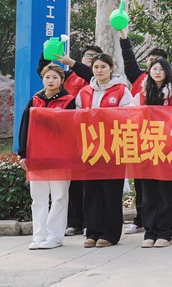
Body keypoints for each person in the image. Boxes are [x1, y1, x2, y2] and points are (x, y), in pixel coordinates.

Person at [38, 44, 96, 237]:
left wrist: (73, 63)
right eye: (88, 55)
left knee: (88, 183)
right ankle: (74, 222)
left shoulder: (96, 77)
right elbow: (45, 72)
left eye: (95, 56)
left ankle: (88, 222)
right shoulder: (67, 76)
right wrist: (47, 51)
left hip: (90, 135)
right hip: (66, 137)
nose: (91, 58)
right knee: (72, 183)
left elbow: (90, 74)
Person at [76, 53, 133, 248]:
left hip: (112, 147)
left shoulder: (122, 91)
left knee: (111, 192)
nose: (99, 70)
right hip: (90, 148)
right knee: (90, 192)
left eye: (103, 67)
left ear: (111, 68)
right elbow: (76, 117)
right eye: (96, 67)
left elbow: (129, 116)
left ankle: (110, 234)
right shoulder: (84, 92)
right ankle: (92, 232)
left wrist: (105, 116)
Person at [17, 64, 77, 250]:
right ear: (42, 79)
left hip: (60, 156)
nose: (51, 81)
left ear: (61, 80)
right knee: (38, 197)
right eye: (47, 77)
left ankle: (55, 236)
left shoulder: (69, 101)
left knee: (59, 196)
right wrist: (22, 154)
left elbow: (72, 129)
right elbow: (24, 127)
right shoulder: (35, 100)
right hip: (37, 156)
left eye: (55, 77)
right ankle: (39, 235)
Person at [131, 58, 172, 248]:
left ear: (167, 72)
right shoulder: (141, 94)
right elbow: (132, 115)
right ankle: (150, 232)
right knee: (148, 192)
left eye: (161, 69)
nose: (157, 72)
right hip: (146, 146)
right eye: (154, 69)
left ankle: (164, 233)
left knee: (166, 191)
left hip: (168, 147)